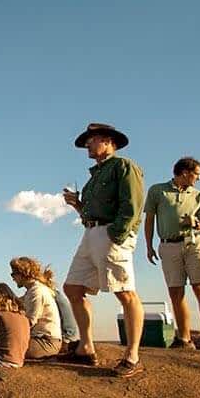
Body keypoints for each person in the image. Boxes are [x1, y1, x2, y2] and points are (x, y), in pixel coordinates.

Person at [61, 122, 146, 378]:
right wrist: (77, 205)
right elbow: (90, 212)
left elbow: (132, 206)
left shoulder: (124, 167)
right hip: (91, 233)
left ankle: (133, 356)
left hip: (112, 234)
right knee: (73, 288)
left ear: (108, 141)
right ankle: (86, 347)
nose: (88, 144)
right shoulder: (95, 176)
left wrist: (116, 235)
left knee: (125, 293)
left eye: (92, 139)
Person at [144, 157, 200, 353]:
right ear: (185, 172)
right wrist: (148, 246)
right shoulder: (157, 191)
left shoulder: (198, 195)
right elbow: (149, 220)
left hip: (194, 244)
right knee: (175, 292)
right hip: (168, 246)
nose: (198, 178)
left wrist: (195, 223)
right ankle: (184, 339)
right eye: (197, 174)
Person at [9, 256, 63, 358]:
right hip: (42, 340)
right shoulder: (32, 291)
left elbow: (29, 322)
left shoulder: (36, 292)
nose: (12, 278)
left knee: (2, 347)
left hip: (45, 342)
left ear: (23, 273)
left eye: (13, 274)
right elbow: (16, 302)